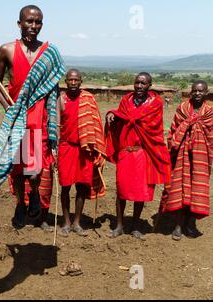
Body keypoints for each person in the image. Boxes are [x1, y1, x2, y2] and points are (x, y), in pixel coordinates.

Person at [0, 5, 65, 226]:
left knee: (35, 171)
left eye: (38, 22)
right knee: (16, 169)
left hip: (39, 118)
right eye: (29, 22)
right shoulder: (6, 50)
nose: (33, 26)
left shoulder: (49, 53)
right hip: (16, 117)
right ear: (19, 24)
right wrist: (8, 107)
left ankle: (34, 194)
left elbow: (53, 86)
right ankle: (19, 205)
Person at [105, 72, 171, 240]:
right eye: (137, 83)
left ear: (150, 85)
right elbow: (121, 117)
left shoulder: (155, 103)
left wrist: (125, 116)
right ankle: (119, 225)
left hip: (142, 152)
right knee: (121, 190)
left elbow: (154, 127)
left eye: (143, 83)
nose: (139, 86)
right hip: (126, 152)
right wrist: (114, 114)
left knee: (140, 191)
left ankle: (135, 226)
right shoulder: (126, 100)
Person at [160, 81, 212, 241]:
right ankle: (177, 225)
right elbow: (174, 131)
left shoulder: (210, 112)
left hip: (201, 156)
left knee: (196, 190)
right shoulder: (182, 108)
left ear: (206, 93)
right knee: (181, 189)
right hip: (181, 156)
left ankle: (190, 224)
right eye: (195, 91)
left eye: (200, 91)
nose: (197, 94)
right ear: (191, 92)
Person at [57, 69, 107, 237]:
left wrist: (96, 149)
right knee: (65, 186)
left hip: (84, 149)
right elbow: (56, 126)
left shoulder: (88, 99)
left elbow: (96, 124)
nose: (73, 83)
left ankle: (77, 222)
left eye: (76, 80)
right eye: (70, 80)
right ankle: (66, 222)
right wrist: (55, 150)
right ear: (66, 81)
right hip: (66, 147)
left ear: (80, 81)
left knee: (81, 187)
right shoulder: (60, 99)